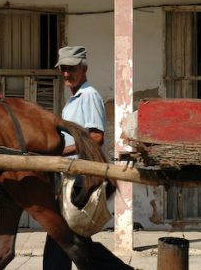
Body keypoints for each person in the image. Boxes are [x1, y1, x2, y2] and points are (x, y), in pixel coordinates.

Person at [43, 46, 132, 270]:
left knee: (62, 236)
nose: (66, 74)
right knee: (71, 240)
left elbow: (96, 137)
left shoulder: (88, 96)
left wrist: (59, 154)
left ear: (84, 69)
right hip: (72, 178)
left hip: (82, 180)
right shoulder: (74, 99)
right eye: (63, 69)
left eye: (71, 69)